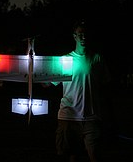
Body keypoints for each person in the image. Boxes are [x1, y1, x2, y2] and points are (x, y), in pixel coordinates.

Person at [43, 19, 112, 162]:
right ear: (74, 36)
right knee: (70, 155)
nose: (84, 37)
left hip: (91, 117)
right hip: (68, 117)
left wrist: (106, 112)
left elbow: (106, 85)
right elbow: (48, 84)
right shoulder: (65, 60)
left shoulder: (97, 58)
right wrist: (38, 73)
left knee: (95, 155)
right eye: (80, 34)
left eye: (86, 34)